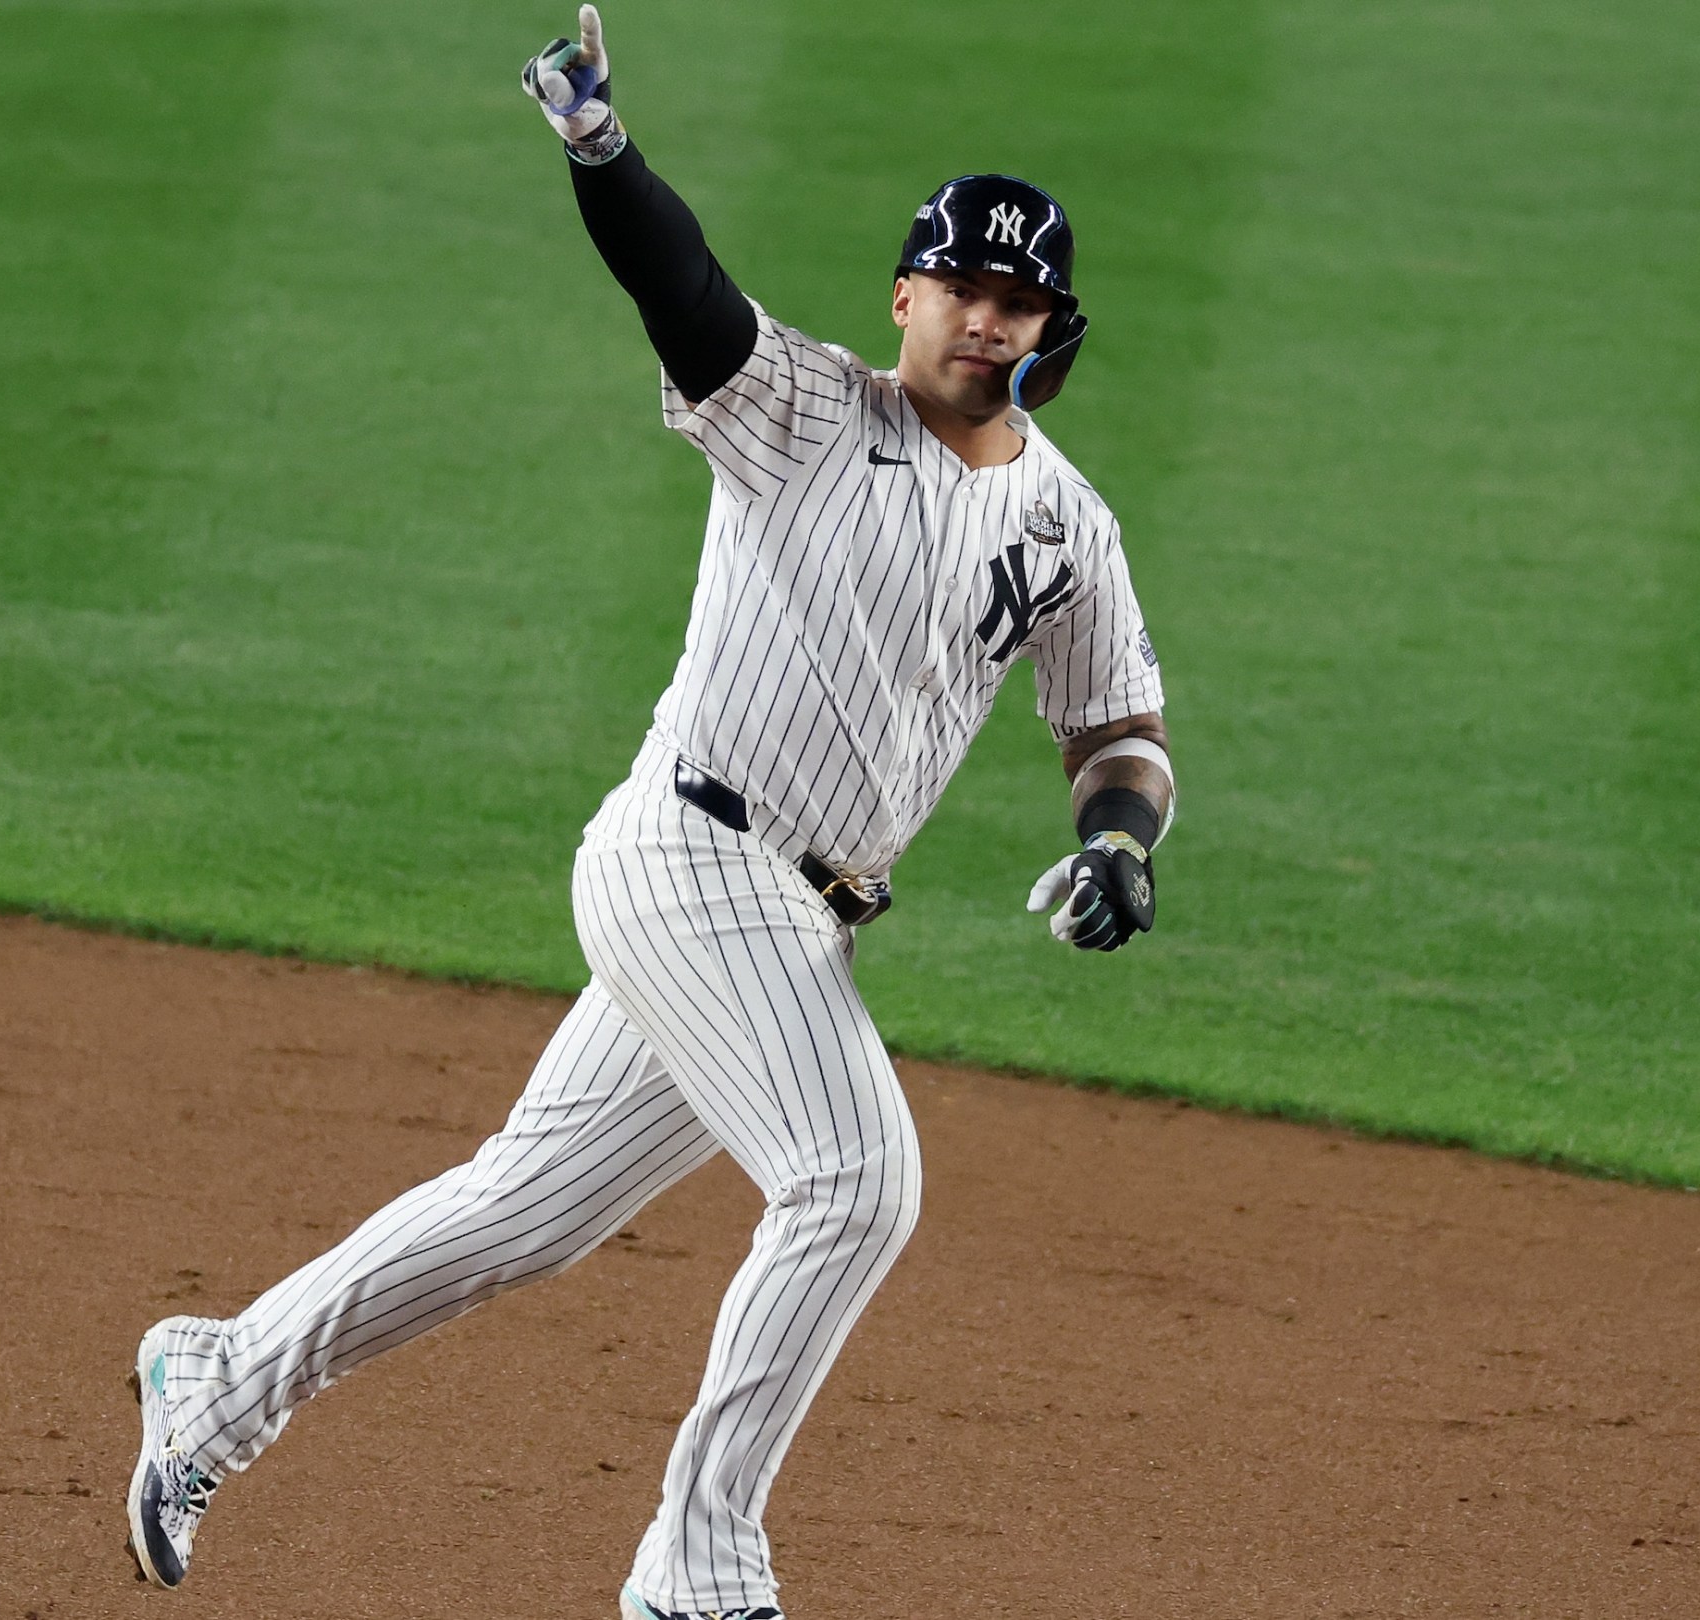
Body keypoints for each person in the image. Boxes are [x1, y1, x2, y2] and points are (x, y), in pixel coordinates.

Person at [121, 9, 1175, 1616]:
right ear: (904, 292)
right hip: (690, 851)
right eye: (957, 284)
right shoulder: (803, 409)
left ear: (1054, 323)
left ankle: (221, 1373)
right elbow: (678, 291)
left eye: (1014, 295)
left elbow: (1118, 726)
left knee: (517, 1214)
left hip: (794, 917)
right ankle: (700, 1566)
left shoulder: (1066, 523)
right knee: (854, 1181)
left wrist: (1119, 838)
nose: (981, 317)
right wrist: (600, 149)